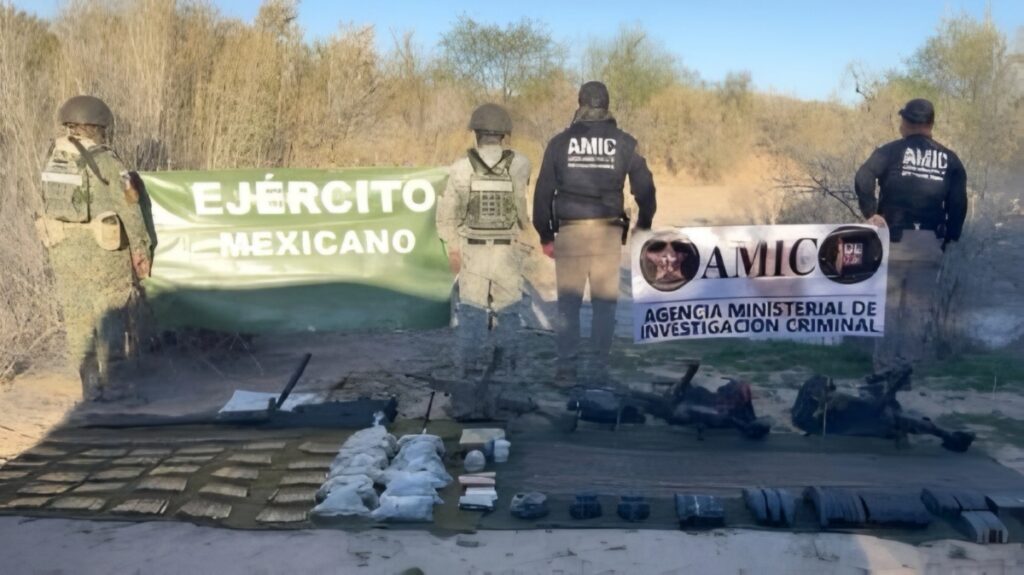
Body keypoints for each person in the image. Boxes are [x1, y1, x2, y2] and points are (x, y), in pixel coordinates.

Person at [533, 81, 656, 384]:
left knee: (568, 305)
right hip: (607, 234)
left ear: (580, 103)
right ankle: (598, 369)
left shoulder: (559, 143)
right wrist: (643, 224)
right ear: (607, 105)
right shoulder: (625, 143)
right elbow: (645, 189)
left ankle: (566, 369)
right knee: (604, 306)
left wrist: (545, 235)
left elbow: (542, 194)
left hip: (570, 233)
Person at [37, 95, 153, 401]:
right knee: (111, 314)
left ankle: (89, 385)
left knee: (77, 319)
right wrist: (141, 249)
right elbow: (130, 207)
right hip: (103, 253)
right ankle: (114, 385)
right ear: (98, 127)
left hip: (63, 252)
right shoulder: (106, 161)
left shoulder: (54, 157)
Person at [854, 98, 968, 369]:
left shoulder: (891, 151)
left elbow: (863, 177)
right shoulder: (951, 160)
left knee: (888, 308)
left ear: (906, 122)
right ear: (931, 124)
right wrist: (950, 237)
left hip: (893, 240)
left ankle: (883, 369)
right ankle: (906, 370)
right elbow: (958, 204)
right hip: (929, 243)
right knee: (917, 310)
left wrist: (871, 213)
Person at [436, 103, 531, 389]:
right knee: (509, 315)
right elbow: (522, 212)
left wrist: (453, 248)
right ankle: (509, 374)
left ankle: (468, 375)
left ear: (476, 132)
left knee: (471, 315)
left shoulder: (460, 168)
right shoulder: (521, 164)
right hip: (507, 252)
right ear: (504, 134)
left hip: (473, 251)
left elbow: (446, 217)